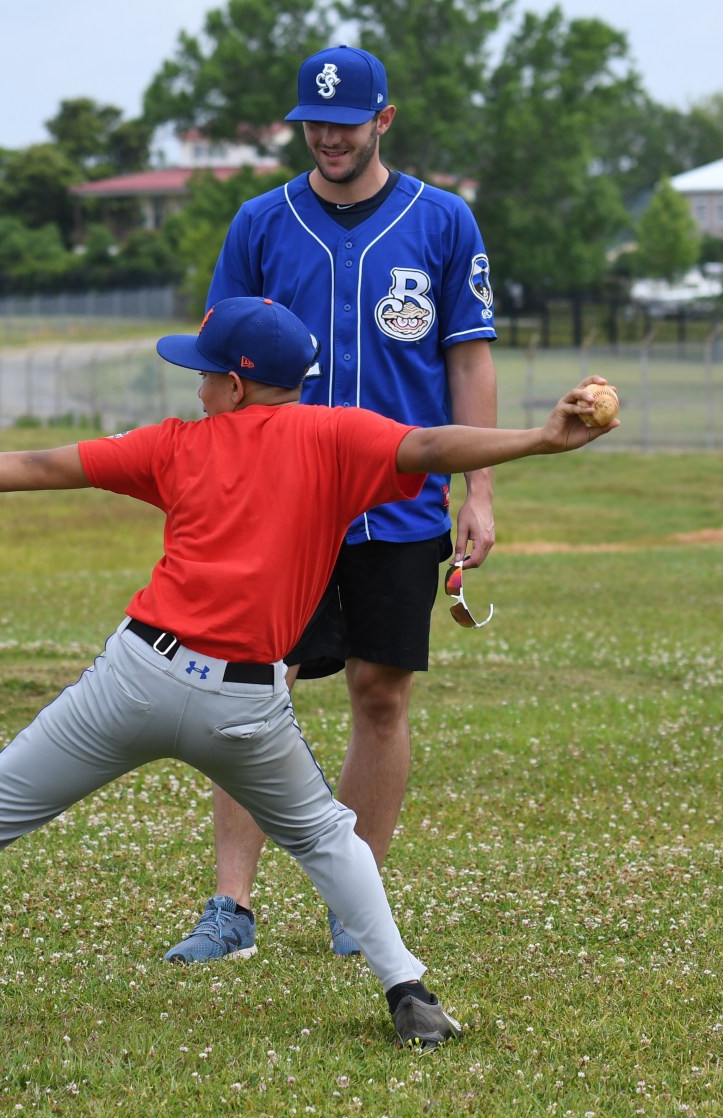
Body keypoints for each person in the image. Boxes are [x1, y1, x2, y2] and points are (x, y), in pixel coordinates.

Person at [0, 296, 617, 1048]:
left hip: (134, 679)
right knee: (328, 840)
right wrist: (539, 439)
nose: (197, 381)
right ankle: (408, 995)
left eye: (204, 370)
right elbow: (431, 447)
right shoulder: (339, 438)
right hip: (246, 707)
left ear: (231, 382)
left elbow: (39, 465)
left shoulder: (176, 444)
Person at [165, 44, 501, 965]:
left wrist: (480, 490)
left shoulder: (442, 221)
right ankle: (231, 907)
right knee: (247, 688)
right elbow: (216, 359)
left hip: (396, 501)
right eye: (314, 123)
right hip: (279, 503)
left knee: (379, 695)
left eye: (346, 122)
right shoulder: (260, 222)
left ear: (382, 120)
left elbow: (468, 363)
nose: (328, 138)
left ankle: (356, 905)